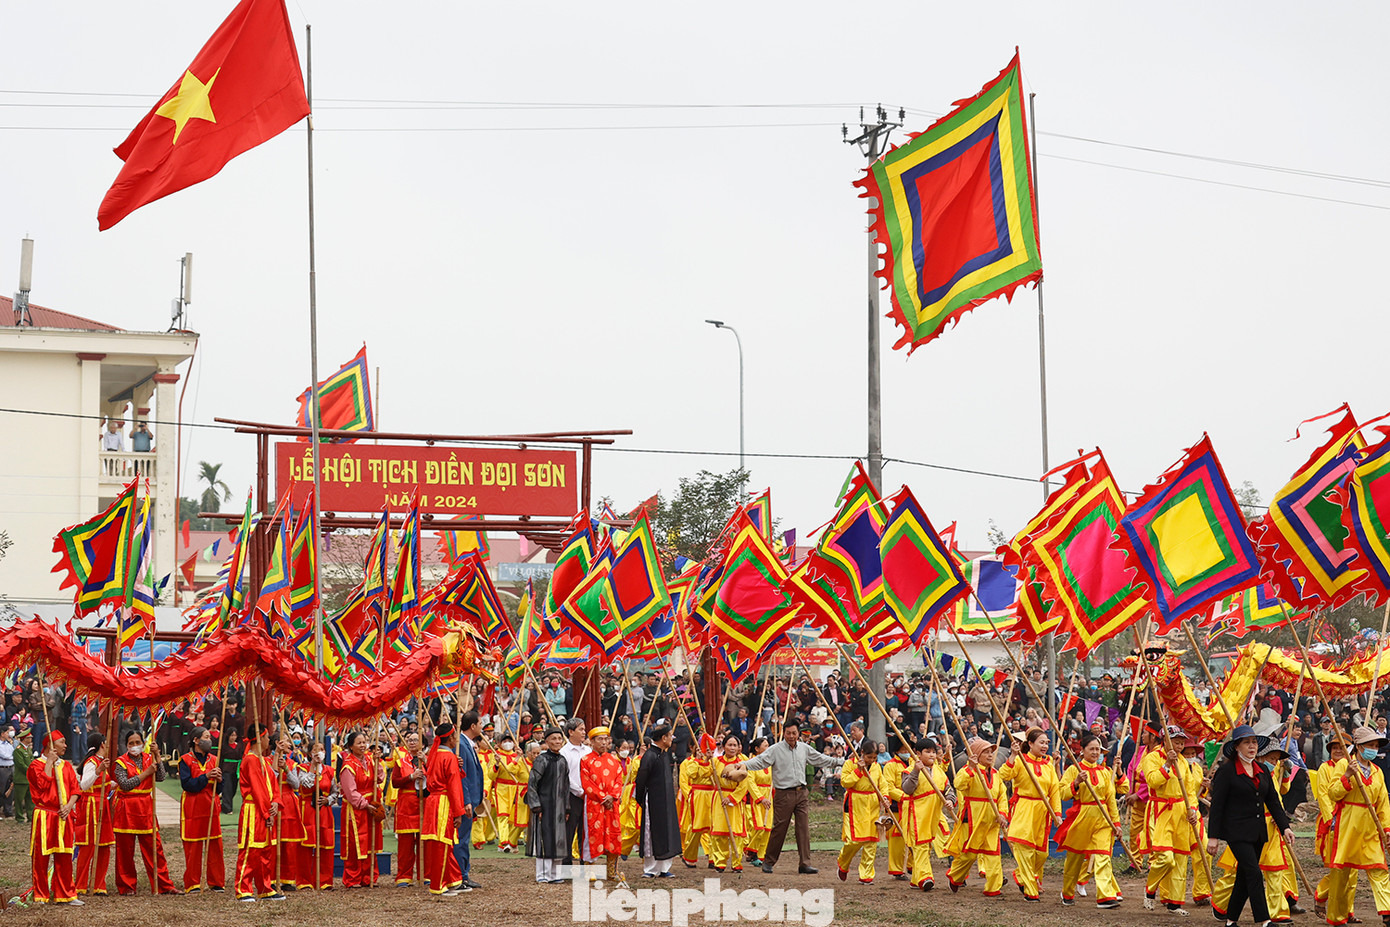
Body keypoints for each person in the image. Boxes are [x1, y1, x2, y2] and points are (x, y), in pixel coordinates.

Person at [1206, 725, 1293, 927]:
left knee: (1244, 876)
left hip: (1258, 831)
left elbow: (1273, 801)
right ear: (1237, 747)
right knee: (1254, 872)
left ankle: (1231, 920)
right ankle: (1264, 920)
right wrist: (1213, 836)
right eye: (1246, 742)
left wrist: (1285, 827)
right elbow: (1217, 805)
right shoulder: (1226, 772)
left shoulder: (1262, 770)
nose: (1252, 746)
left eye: (1254, 742)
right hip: (1236, 832)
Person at [736, 719, 844, 874]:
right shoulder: (775, 749)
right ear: (783, 733)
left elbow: (820, 759)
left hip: (802, 793)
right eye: (788, 733)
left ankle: (805, 863)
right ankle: (769, 861)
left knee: (803, 828)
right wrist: (745, 765)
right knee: (780, 828)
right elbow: (760, 761)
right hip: (783, 794)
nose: (791, 736)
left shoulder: (804, 749)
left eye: (794, 733)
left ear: (798, 733)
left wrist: (840, 762)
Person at [1321, 726, 1390, 926]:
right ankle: (1336, 916)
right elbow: (1332, 793)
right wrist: (1348, 775)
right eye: (1370, 745)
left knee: (1379, 869)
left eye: (1376, 745)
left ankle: (1387, 911)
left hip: (1370, 826)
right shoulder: (1344, 764)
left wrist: (1386, 829)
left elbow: (1383, 803)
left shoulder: (1377, 772)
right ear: (1358, 746)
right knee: (1341, 874)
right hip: (1348, 824)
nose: (1373, 749)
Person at [1055, 731, 1124, 908]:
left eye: (1098, 750)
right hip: (1082, 817)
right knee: (1075, 860)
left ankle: (1105, 896)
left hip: (1102, 819)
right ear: (1082, 751)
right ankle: (1067, 892)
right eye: (1091, 749)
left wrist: (1116, 824)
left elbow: (1111, 800)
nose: (1095, 753)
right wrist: (1076, 782)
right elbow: (1062, 793)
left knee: (1103, 856)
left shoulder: (1106, 772)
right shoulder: (1073, 769)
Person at [1139, 727, 1202, 913]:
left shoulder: (1183, 761)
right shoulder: (1152, 757)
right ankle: (1150, 890)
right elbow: (1152, 781)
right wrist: (1167, 764)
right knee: (1165, 858)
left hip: (1181, 812)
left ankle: (1175, 903)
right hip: (1161, 811)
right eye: (1176, 741)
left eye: (1182, 742)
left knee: (1181, 860)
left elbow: (1189, 789)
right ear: (1164, 740)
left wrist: (1193, 809)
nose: (1180, 746)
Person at [111, 727, 176, 895]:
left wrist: (157, 756)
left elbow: (161, 777)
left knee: (155, 849)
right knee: (125, 851)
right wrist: (146, 773)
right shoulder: (120, 762)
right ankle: (126, 886)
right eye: (131, 743)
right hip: (127, 807)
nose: (135, 746)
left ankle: (164, 885)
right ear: (126, 745)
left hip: (146, 807)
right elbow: (125, 784)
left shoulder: (149, 758)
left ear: (143, 743)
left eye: (138, 743)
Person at [1000, 727, 1061, 901]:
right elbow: (1004, 775)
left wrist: (1057, 813)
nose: (1045, 746)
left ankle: (1020, 875)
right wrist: (1012, 755)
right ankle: (1030, 890)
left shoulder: (1048, 765)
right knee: (1025, 850)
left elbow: (1054, 791)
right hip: (1024, 808)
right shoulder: (1021, 761)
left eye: (1047, 743)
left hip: (1043, 812)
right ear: (1031, 744)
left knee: (1041, 854)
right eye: (1041, 742)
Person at [945, 737, 1008, 895]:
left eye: (991, 752)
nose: (990, 755)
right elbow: (958, 784)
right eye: (985, 752)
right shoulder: (968, 770)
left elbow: (1002, 796)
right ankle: (955, 876)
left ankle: (993, 888)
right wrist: (971, 769)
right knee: (969, 855)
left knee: (993, 854)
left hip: (992, 820)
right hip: (973, 817)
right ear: (976, 755)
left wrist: (1002, 814)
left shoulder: (995, 773)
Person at [29, 731, 81, 905]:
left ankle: (65, 894)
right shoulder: (36, 765)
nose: (66, 745)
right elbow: (43, 784)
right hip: (45, 815)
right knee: (41, 858)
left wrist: (68, 806)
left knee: (65, 856)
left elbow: (75, 789)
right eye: (62, 742)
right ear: (51, 745)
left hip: (64, 816)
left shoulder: (66, 765)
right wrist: (49, 762)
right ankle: (41, 895)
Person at [235, 722, 283, 901]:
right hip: (253, 810)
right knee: (250, 850)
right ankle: (243, 889)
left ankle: (265, 888)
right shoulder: (250, 760)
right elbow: (257, 790)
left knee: (265, 850)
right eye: (267, 736)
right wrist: (266, 813)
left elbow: (273, 784)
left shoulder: (262, 760)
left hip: (266, 810)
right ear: (260, 737)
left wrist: (276, 802)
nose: (269, 740)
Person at [896, 737, 951, 891]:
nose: (932, 755)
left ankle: (915, 880)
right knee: (920, 846)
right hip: (917, 814)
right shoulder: (909, 771)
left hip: (933, 814)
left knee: (927, 847)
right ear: (918, 754)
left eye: (934, 752)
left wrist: (950, 801)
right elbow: (907, 789)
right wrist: (916, 770)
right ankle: (925, 877)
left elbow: (948, 788)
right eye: (928, 752)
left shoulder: (939, 771)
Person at [422, 722, 467, 896]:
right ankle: (438, 885)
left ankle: (452, 880)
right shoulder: (448, 757)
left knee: (443, 845)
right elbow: (454, 786)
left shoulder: (435, 755)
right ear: (450, 738)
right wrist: (458, 812)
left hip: (433, 801)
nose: (456, 739)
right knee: (442, 844)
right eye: (455, 736)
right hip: (443, 802)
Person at [178, 726, 224, 893]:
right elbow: (187, 784)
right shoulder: (185, 760)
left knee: (215, 844)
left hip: (210, 805)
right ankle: (193, 883)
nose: (209, 740)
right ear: (196, 740)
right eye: (206, 737)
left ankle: (216, 881)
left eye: (210, 737)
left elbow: (220, 789)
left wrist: (219, 780)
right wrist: (205, 776)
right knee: (193, 845)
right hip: (193, 805)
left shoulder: (214, 759)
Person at [338, 730, 384, 889]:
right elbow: (350, 792)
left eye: (364, 742)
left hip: (371, 805)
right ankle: (352, 878)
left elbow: (379, 779)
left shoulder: (370, 760)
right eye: (359, 743)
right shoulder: (347, 765)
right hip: (355, 809)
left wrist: (378, 763)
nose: (363, 745)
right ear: (351, 746)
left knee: (371, 841)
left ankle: (369, 876)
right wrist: (365, 805)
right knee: (355, 843)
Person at [634, 721, 680, 878]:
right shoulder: (650, 755)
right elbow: (640, 780)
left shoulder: (663, 754)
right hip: (653, 800)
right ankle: (650, 869)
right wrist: (641, 799)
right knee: (652, 832)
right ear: (663, 737)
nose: (671, 739)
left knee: (667, 831)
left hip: (666, 800)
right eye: (669, 736)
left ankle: (664, 867)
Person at [579, 726, 625, 882]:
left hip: (612, 804)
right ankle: (589, 869)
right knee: (593, 834)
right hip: (594, 804)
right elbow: (587, 783)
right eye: (600, 739)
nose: (604, 742)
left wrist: (612, 796)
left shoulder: (614, 761)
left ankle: (612, 871)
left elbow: (619, 781)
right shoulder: (585, 760)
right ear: (592, 741)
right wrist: (603, 797)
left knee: (613, 835)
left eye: (606, 739)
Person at [836, 739, 885, 884]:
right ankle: (843, 863)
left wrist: (885, 797)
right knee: (853, 840)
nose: (872, 760)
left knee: (871, 840)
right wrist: (858, 770)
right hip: (855, 803)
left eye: (874, 758)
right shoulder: (849, 764)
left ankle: (866, 874)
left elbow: (882, 784)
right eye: (869, 757)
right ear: (862, 753)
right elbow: (845, 782)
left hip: (872, 804)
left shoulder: (876, 767)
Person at [528, 725, 570, 883]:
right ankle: (542, 875)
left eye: (560, 738)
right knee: (544, 838)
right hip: (544, 805)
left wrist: (567, 807)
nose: (557, 741)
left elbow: (566, 786)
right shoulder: (541, 759)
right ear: (546, 741)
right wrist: (536, 805)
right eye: (554, 738)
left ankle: (556, 874)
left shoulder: (563, 760)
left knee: (558, 838)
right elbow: (532, 784)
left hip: (559, 806)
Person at [74, 733, 113, 896]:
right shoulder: (92, 762)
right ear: (102, 744)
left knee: (104, 846)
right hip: (91, 806)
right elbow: (84, 785)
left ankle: (99, 884)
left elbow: (102, 783)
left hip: (102, 805)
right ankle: (81, 884)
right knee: (88, 846)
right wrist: (98, 770)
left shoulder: (100, 762)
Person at [708, 734, 750, 873]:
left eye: (735, 745)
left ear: (739, 748)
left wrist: (731, 798)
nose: (732, 748)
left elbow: (744, 785)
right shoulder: (715, 762)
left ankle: (737, 862)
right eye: (729, 745)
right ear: (724, 746)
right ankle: (720, 861)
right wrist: (705, 760)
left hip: (734, 801)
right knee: (719, 832)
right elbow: (702, 774)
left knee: (736, 833)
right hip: (719, 798)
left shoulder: (742, 764)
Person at [298, 739, 335, 890]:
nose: (318, 752)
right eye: (315, 749)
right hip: (307, 809)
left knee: (326, 844)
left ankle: (325, 880)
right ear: (310, 753)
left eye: (321, 749)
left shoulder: (330, 771)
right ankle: (304, 880)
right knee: (306, 846)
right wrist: (314, 767)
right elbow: (305, 784)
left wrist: (328, 799)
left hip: (324, 811)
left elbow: (335, 792)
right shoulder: (302, 768)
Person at [391, 731, 426, 885]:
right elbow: (395, 782)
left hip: (423, 803)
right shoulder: (400, 762)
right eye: (409, 740)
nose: (412, 742)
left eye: (415, 740)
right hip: (406, 802)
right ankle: (403, 876)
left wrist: (427, 763)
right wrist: (410, 777)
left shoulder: (428, 760)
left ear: (423, 744)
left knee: (423, 843)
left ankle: (424, 875)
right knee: (405, 844)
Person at [455, 710, 484, 889]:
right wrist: (466, 800)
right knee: (461, 839)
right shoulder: (460, 746)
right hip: (465, 801)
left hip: (472, 799)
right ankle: (460, 875)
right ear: (472, 726)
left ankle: (463, 872)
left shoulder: (469, 744)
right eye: (480, 723)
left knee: (464, 839)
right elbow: (462, 776)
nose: (482, 727)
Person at [558, 716, 590, 872]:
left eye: (584, 729)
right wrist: (580, 791)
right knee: (569, 832)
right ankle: (566, 867)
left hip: (589, 797)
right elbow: (566, 777)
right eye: (581, 729)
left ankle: (586, 866)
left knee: (585, 833)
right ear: (571, 732)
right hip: (571, 797)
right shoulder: (564, 752)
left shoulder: (589, 750)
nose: (584, 732)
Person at [678, 733, 714, 867]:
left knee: (712, 828)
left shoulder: (714, 762)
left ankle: (713, 857)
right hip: (696, 796)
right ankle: (689, 856)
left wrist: (709, 761)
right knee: (695, 827)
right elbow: (689, 777)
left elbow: (715, 778)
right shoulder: (688, 763)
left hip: (711, 796)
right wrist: (689, 798)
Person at [493, 734, 528, 852]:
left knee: (513, 816)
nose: (508, 743)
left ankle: (512, 840)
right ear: (499, 743)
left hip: (515, 788)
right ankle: (504, 842)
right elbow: (491, 775)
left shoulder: (517, 756)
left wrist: (519, 757)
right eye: (505, 741)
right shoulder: (497, 756)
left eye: (510, 741)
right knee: (503, 815)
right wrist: (497, 764)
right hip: (501, 787)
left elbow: (521, 772)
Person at [743, 737, 774, 865]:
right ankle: (750, 851)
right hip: (758, 799)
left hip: (769, 796)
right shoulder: (751, 763)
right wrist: (760, 799)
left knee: (767, 828)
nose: (768, 748)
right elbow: (750, 783)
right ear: (757, 749)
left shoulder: (771, 764)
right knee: (759, 827)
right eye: (765, 746)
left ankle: (760, 856)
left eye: (768, 745)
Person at [13, 727, 33, 823]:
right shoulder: (18, 750)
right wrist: (30, 771)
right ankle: (19, 817)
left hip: (29, 779)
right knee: (19, 800)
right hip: (21, 779)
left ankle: (30, 816)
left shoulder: (28, 750)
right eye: (29, 737)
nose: (31, 739)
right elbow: (21, 765)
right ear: (25, 739)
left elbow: (32, 761)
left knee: (30, 800)